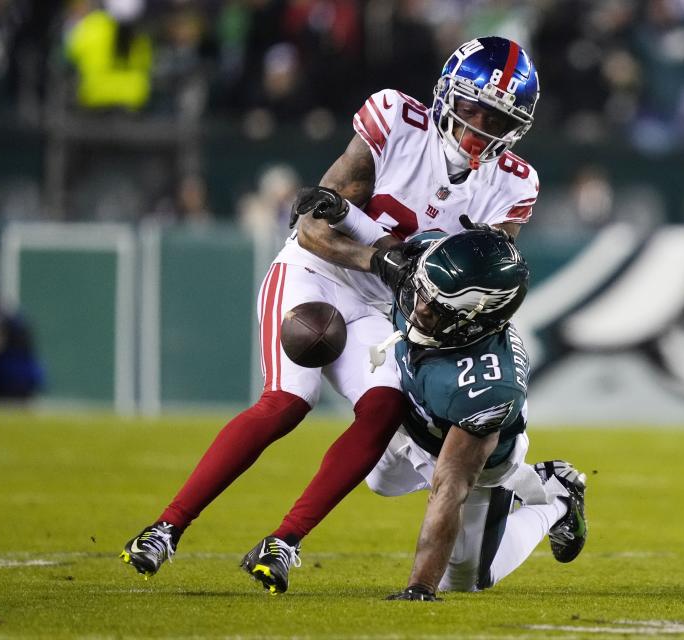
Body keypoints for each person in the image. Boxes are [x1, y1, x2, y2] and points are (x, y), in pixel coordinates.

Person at [120, 36, 541, 578]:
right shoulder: (395, 121)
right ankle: (167, 527)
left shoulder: (513, 183)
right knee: (289, 400)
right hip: (315, 273)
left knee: (385, 408)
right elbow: (314, 225)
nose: (480, 129)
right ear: (444, 96)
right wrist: (380, 260)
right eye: (473, 109)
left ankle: (285, 540)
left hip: (389, 309)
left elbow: (487, 272)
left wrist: (411, 281)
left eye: (498, 120)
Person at [242, 230, 588, 598]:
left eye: (437, 308)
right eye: (421, 292)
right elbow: (350, 246)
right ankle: (532, 482)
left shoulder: (487, 387)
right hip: (418, 415)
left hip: (470, 455)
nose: (418, 307)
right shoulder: (427, 260)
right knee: (381, 481)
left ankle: (557, 498)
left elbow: (450, 485)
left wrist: (420, 587)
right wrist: (337, 217)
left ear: (475, 320)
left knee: (465, 579)